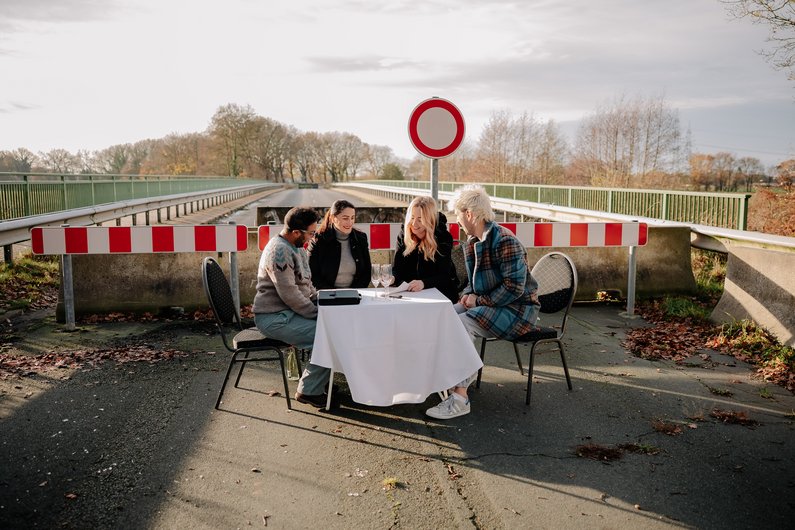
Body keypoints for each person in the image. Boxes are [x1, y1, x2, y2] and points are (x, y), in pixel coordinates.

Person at [425, 185, 540, 420]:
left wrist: (478, 300)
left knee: (461, 324)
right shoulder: (472, 242)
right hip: (492, 305)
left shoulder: (505, 241)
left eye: (458, 214)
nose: (457, 220)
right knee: (445, 315)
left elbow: (514, 288)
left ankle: (460, 397)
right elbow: (473, 283)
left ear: (469, 214)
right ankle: (444, 377)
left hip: (517, 311)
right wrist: (468, 295)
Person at [252, 206, 332, 408]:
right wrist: (317, 314)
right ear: (296, 232)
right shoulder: (279, 251)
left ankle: (319, 381)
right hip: (274, 318)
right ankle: (309, 391)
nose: (312, 238)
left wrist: (322, 301)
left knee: (335, 330)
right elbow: (289, 293)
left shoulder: (295, 247)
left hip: (289, 313)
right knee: (330, 338)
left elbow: (306, 285)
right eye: (311, 233)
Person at [392, 196, 459, 302]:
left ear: (429, 220)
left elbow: (445, 276)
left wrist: (423, 283)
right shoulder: (403, 235)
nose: (414, 224)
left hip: (439, 293)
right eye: (412, 218)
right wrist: (394, 279)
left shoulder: (442, 237)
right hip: (410, 294)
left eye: (420, 220)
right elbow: (397, 270)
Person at [307, 199, 372, 290]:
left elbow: (366, 272)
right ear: (333, 218)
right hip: (326, 294)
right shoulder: (318, 240)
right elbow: (312, 274)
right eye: (345, 218)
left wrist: (353, 292)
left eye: (352, 218)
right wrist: (334, 294)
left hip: (355, 294)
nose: (350, 222)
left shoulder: (361, 238)